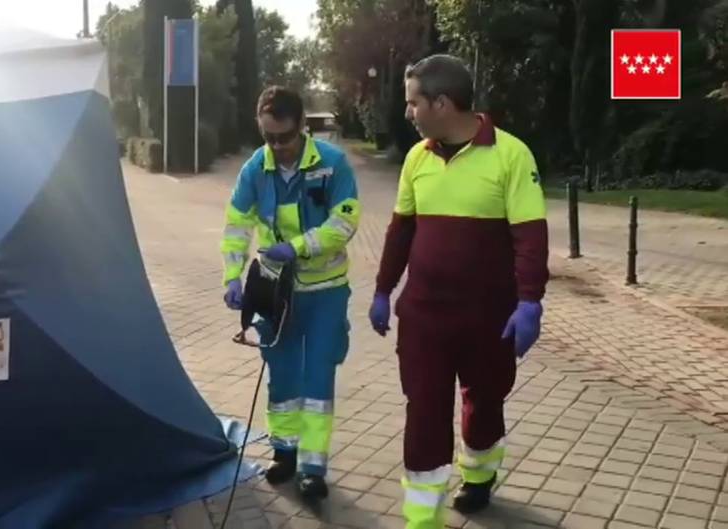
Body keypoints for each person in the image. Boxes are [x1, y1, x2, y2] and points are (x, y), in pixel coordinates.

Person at [368, 54, 549, 528]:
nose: (408, 112)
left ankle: (480, 475)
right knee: (424, 411)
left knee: (484, 401)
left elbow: (530, 236)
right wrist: (384, 289)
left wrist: (530, 301)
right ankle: (422, 518)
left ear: (442, 103)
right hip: (425, 317)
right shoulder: (416, 158)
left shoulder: (511, 155)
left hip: (489, 317)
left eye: (413, 103)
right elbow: (400, 231)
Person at [220, 86, 361, 500]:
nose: (278, 147)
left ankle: (313, 468)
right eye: (269, 138)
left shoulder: (333, 165)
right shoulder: (255, 169)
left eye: (285, 137)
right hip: (276, 293)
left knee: (318, 376)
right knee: (281, 375)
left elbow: (344, 223)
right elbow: (236, 223)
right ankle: (285, 453)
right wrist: (232, 277)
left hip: (325, 291)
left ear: (302, 126)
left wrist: (297, 248)